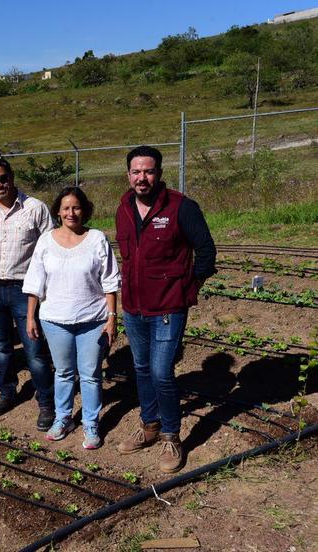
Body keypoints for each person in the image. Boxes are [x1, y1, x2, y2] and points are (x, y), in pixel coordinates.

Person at [115, 145, 216, 473]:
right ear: (128, 174)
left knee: (161, 371)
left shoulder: (181, 207)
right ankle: (149, 426)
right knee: (142, 369)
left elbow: (206, 250)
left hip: (169, 307)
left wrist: (191, 286)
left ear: (158, 173)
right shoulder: (124, 208)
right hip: (133, 306)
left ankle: (172, 435)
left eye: (148, 171)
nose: (141, 178)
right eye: (136, 172)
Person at [24, 187, 120, 449]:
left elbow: (110, 281)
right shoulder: (46, 240)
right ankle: (63, 418)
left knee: (90, 375)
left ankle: (90, 423)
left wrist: (112, 317)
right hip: (55, 320)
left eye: (76, 207)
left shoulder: (97, 238)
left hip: (93, 320)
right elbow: (35, 283)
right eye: (66, 208)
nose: (71, 212)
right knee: (64, 373)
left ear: (84, 210)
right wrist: (30, 316)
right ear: (58, 211)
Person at [0, 157, 56, 428]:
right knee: (2, 347)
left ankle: (45, 402)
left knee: (34, 349)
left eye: (3, 178)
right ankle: (7, 392)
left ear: (12, 177)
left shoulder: (35, 208)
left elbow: (48, 248)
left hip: (25, 291)